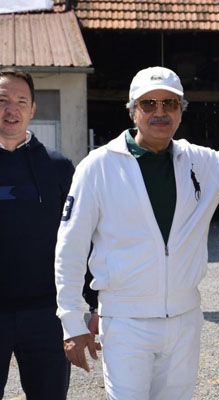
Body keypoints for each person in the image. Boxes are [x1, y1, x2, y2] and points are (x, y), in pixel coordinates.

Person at [54, 66, 219, 399]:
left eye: (170, 103)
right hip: (125, 321)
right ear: (133, 111)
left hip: (184, 320)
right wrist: (72, 321)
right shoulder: (98, 167)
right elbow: (70, 248)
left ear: (180, 111)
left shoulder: (200, 162)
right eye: (149, 104)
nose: (160, 112)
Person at [0, 68, 98, 400]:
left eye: (20, 101)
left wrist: (96, 302)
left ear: (32, 110)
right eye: (2, 101)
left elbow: (79, 238)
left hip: (45, 315)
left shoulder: (57, 167)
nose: (10, 110)